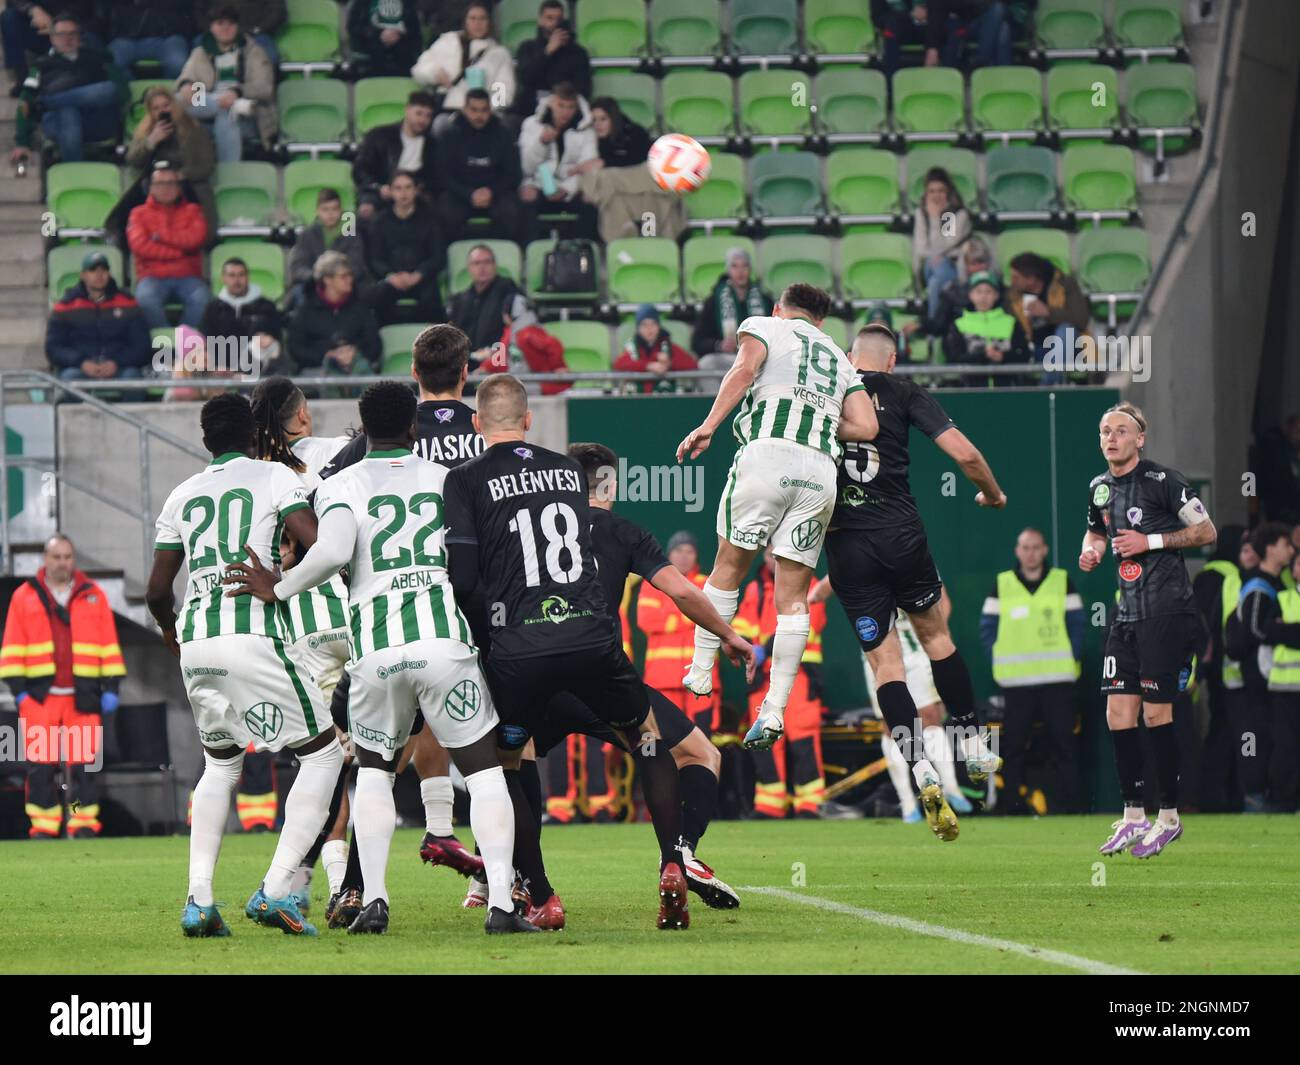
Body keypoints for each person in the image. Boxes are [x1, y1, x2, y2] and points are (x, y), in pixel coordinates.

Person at [444, 375, 754, 929]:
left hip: (524, 657)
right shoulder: (597, 509)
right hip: (592, 653)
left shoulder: (472, 485)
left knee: (509, 766)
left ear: (475, 424)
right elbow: (682, 589)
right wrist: (728, 636)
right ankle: (673, 858)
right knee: (659, 745)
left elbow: (469, 574)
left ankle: (533, 891)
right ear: (531, 420)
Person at [225, 381, 534, 936]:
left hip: (376, 653)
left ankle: (374, 900)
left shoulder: (342, 483)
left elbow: (336, 551)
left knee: (372, 773)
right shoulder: (449, 479)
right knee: (486, 774)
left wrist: (282, 586)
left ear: (365, 429)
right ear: (415, 428)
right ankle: (503, 908)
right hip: (442, 643)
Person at [145, 393, 345, 937]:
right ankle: (276, 890)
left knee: (220, 765)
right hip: (250, 632)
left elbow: (158, 589)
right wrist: (278, 583)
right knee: (325, 754)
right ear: (256, 438)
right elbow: (321, 545)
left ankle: (199, 901)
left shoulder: (182, 494)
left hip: (197, 643)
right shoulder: (273, 477)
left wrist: (171, 631)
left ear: (206, 441)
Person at [317, 324, 489, 928]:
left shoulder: (367, 447)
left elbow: (321, 513)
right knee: (502, 758)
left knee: (374, 760)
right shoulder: (483, 434)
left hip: (382, 622)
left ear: (415, 375)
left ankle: (359, 890)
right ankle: (516, 885)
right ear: (465, 372)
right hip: (468, 618)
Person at [675, 283, 879, 753]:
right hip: (821, 473)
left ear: (778, 309)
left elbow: (744, 370)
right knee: (794, 597)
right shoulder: (839, 356)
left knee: (729, 566)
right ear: (822, 322)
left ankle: (702, 670)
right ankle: (774, 710)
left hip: (768, 455)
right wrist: (819, 415)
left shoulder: (766, 326)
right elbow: (868, 426)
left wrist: (709, 425)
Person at [822, 323, 1005, 841]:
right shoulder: (906, 393)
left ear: (849, 358)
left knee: (885, 666)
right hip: (901, 536)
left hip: (847, 546)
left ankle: (919, 765)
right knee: (937, 638)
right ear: (894, 359)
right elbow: (966, 455)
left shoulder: (827, 397)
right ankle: (970, 740)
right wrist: (992, 494)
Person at [1081, 402, 1217, 858]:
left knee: (1156, 715)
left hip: (1167, 612)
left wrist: (1150, 541)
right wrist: (1092, 550)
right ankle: (1133, 816)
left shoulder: (1164, 481)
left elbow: (1206, 531)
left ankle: (1170, 817)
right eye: (1105, 431)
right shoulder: (1098, 488)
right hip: (1127, 615)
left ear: (1140, 439)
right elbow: (1097, 531)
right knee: (1118, 714)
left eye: (1121, 431)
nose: (1111, 437)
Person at [0, 534, 125, 838]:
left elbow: (108, 643)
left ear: (73, 559)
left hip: (82, 696)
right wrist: (21, 693)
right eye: (56, 557)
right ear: (45, 559)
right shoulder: (24, 596)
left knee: (83, 768)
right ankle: (44, 827)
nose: (62, 563)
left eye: (67, 557)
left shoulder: (93, 594)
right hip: (40, 698)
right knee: (41, 767)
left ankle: (80, 823)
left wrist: (111, 688)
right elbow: (13, 645)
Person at [979, 527, 1085, 814]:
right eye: (1025, 548)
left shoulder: (1062, 581)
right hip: (1016, 684)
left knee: (1064, 745)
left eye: (1036, 547)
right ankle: (1012, 808)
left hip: (1057, 680)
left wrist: (1073, 658)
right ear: (1017, 551)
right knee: (1013, 749)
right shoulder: (1002, 584)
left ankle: (1073, 808)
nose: (1030, 553)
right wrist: (997, 658)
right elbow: (987, 630)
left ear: (1045, 550)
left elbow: (1077, 626)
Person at [736, 547, 830, 819]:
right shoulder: (755, 590)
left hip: (800, 674)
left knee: (803, 736)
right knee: (763, 736)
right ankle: (769, 804)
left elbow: (809, 624)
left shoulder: (811, 586)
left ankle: (810, 803)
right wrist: (751, 649)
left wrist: (766, 647)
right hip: (763, 676)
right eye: (769, 555)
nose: (773, 561)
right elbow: (742, 626)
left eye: (778, 555)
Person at [854, 602, 968, 821]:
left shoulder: (914, 566)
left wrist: (937, 630)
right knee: (890, 726)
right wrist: (816, 593)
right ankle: (907, 803)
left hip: (914, 651)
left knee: (930, 717)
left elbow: (941, 597)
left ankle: (950, 789)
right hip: (877, 653)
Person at [1226, 522, 1296, 812]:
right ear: (1270, 549)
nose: (1291, 550)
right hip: (1258, 682)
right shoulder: (1259, 587)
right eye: (1286, 545)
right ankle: (1255, 800)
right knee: (1258, 741)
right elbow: (1255, 631)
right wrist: (1287, 632)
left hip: (1273, 682)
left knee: (1275, 742)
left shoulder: (1279, 585)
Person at [633, 530, 721, 734]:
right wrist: (690, 615)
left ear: (696, 555)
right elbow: (646, 621)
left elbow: (714, 619)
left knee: (703, 739)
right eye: (679, 550)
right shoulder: (653, 583)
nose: (683, 556)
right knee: (667, 742)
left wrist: (671, 614)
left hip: (700, 677)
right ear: (669, 554)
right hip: (663, 679)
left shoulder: (706, 583)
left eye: (689, 551)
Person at [11, 12, 125, 166]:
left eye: (73, 33)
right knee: (68, 111)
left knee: (109, 89)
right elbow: (26, 101)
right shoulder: (40, 66)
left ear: (80, 37)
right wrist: (22, 142)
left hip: (98, 122)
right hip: (58, 124)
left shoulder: (98, 58)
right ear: (52, 38)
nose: (67, 38)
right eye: (61, 34)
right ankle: (75, 170)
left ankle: (48, 103)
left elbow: (121, 91)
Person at [112, 85, 217, 245]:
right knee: (124, 214)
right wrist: (151, 141)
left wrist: (179, 175)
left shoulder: (195, 130)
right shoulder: (146, 132)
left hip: (187, 185)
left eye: (166, 105)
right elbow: (133, 160)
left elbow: (206, 166)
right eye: (156, 108)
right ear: (151, 112)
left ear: (174, 105)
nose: (162, 111)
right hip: (153, 186)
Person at [1191, 524, 1249, 812]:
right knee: (1227, 732)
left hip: (1214, 668)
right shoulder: (1229, 578)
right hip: (1226, 668)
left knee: (1222, 730)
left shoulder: (1204, 577)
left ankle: (1218, 796)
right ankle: (1220, 796)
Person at [177, 5, 277, 163]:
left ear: (238, 27)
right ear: (211, 27)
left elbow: (264, 88)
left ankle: (229, 168)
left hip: (245, 112)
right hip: (209, 105)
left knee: (226, 113)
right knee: (174, 100)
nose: (225, 28)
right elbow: (187, 77)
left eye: (230, 24)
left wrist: (236, 92)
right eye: (220, 23)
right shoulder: (201, 52)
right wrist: (187, 85)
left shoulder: (254, 51)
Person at [435, 89, 527, 244]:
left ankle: (505, 257)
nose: (479, 116)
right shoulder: (450, 135)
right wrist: (468, 193)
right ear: (464, 109)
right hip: (461, 192)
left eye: (484, 110)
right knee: (445, 212)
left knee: (512, 211)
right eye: (474, 110)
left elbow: (512, 173)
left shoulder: (503, 134)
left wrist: (492, 191)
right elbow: (443, 175)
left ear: (490, 110)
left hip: (496, 192)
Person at [127, 162, 211, 329]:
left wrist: (160, 237)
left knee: (202, 299)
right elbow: (140, 246)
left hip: (188, 275)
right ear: (150, 188)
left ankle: (183, 344)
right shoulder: (138, 214)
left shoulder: (193, 210)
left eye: (171, 183)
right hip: (152, 276)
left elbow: (194, 239)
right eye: (160, 183)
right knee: (145, 299)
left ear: (179, 187)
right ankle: (166, 347)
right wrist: (180, 253)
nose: (166, 188)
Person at [45, 250, 151, 383]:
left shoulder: (128, 303)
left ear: (109, 274)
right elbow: (53, 348)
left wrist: (116, 362)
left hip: (120, 367)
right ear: (83, 275)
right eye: (93, 270)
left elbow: (142, 345)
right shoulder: (65, 306)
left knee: (132, 378)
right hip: (79, 368)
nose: (99, 275)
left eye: (103, 270)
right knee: (70, 379)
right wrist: (81, 362)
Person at [364, 169, 445, 326]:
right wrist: (390, 275)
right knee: (378, 297)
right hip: (391, 279)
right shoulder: (379, 222)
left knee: (432, 299)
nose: (403, 193)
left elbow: (438, 256)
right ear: (391, 191)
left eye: (408, 187)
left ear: (416, 190)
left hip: (421, 278)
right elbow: (374, 258)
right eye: (398, 188)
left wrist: (419, 274)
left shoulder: (430, 219)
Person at [518, 80, 597, 238]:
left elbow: (589, 167)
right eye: (561, 106)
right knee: (525, 199)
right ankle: (532, 252)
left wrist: (567, 189)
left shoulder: (587, 131)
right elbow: (525, 167)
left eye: (570, 107)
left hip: (570, 188)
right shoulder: (531, 125)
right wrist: (542, 143)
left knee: (590, 201)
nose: (565, 112)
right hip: (538, 185)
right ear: (551, 103)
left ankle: (581, 251)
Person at [412, 1, 515, 120]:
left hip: (484, 115)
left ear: (489, 22)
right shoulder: (447, 41)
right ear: (465, 21)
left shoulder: (499, 53)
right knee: (441, 126)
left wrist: (485, 110)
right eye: (473, 18)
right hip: (449, 110)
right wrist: (434, 74)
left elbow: (503, 89)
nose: (478, 23)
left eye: (483, 18)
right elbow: (418, 69)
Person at [287, 251, 381, 376]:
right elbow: (296, 348)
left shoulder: (360, 308)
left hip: (356, 367)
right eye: (343, 276)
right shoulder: (305, 311)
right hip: (317, 369)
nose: (350, 280)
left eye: (350, 275)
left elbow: (374, 345)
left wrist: (355, 353)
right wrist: (326, 355)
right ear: (327, 280)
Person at [351, 91, 439, 219]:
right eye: (418, 113)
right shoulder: (379, 135)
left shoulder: (432, 144)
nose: (422, 120)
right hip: (380, 190)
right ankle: (346, 238)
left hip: (414, 194)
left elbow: (435, 178)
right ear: (407, 110)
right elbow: (359, 170)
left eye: (427, 116)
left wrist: (417, 190)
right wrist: (379, 188)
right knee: (358, 214)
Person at [1007, 251, 1091, 375]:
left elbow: (1081, 320)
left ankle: (1047, 386)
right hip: (1034, 349)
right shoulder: (1012, 295)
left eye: (1016, 277)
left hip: (1071, 350)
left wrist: (1048, 313)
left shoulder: (1065, 285)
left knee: (1066, 330)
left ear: (1031, 279)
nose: (1011, 281)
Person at [942, 271, 1032, 384]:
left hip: (1007, 390)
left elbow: (1024, 354)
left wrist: (1002, 357)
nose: (983, 296)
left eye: (988, 291)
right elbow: (954, 357)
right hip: (971, 391)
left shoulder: (1010, 322)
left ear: (996, 295)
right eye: (978, 291)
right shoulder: (959, 324)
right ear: (971, 295)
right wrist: (983, 356)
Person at [913, 167, 972, 326]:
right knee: (938, 266)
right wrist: (931, 217)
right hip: (930, 265)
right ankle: (954, 320)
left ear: (949, 192)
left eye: (941, 190)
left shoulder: (956, 214)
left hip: (955, 265)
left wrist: (938, 217)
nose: (936, 196)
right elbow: (922, 249)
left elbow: (946, 244)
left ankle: (935, 323)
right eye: (931, 191)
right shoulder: (921, 213)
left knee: (936, 282)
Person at [288, 188, 370, 301]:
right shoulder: (306, 235)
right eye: (325, 209)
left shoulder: (351, 233)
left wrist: (337, 279)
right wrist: (318, 277)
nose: (330, 214)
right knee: (300, 291)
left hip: (344, 282)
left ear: (341, 210)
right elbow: (298, 268)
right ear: (317, 211)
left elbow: (356, 265)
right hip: (315, 283)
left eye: (334, 209)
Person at [512, 0, 591, 117]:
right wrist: (547, 52)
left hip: (566, 111)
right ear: (540, 20)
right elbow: (525, 78)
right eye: (549, 18)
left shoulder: (578, 53)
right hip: (530, 110)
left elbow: (583, 89)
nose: (554, 24)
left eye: (558, 19)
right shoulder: (527, 48)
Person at [1264, 552, 1300, 810]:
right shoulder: (1282, 598)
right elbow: (1270, 632)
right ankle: (1284, 801)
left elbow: (1281, 632)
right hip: (1284, 687)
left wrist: (1287, 630)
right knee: (1285, 748)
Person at [447, 243, 525, 360]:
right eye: (477, 263)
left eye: (487, 262)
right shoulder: (459, 300)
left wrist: (493, 351)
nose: (482, 267)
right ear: (469, 268)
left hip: (500, 359)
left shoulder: (507, 289)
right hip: (468, 362)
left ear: (494, 265)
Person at [691, 247, 774, 357]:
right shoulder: (713, 301)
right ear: (728, 270)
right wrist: (719, 345)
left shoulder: (765, 300)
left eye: (744, 266)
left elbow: (776, 336)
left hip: (759, 358)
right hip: (727, 359)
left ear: (750, 269)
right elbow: (698, 342)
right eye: (734, 266)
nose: (740, 271)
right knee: (707, 363)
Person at [480, 295, 571, 394]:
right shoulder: (513, 332)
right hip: (523, 385)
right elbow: (501, 355)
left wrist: (558, 366)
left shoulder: (526, 332)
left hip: (537, 387)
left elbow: (553, 344)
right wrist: (485, 367)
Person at [616, 305, 699, 393]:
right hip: (637, 401)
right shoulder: (632, 347)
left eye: (653, 324)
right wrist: (648, 366)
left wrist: (669, 362)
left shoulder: (669, 347)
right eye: (644, 325)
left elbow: (692, 365)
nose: (649, 329)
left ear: (659, 326)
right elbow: (619, 364)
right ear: (638, 328)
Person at [107, 1, 194, 80]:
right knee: (111, 62)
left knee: (177, 64)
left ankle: (165, 94)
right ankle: (132, 92)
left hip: (169, 37)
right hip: (128, 38)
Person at [346, 0, 421, 77]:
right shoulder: (361, 2)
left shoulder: (408, 3)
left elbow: (415, 30)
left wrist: (398, 34)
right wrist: (378, 34)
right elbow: (354, 27)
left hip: (402, 55)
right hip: (370, 54)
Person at [872, 0, 945, 75]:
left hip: (932, 29)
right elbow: (878, 18)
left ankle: (944, 77)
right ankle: (891, 81)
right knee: (891, 30)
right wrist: (910, 14)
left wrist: (932, 46)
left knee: (949, 26)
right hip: (900, 29)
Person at [586, 96, 649, 172]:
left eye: (603, 119)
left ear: (613, 118)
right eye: (594, 120)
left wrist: (605, 163)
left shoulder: (635, 133)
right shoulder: (591, 136)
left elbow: (637, 157)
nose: (597, 124)